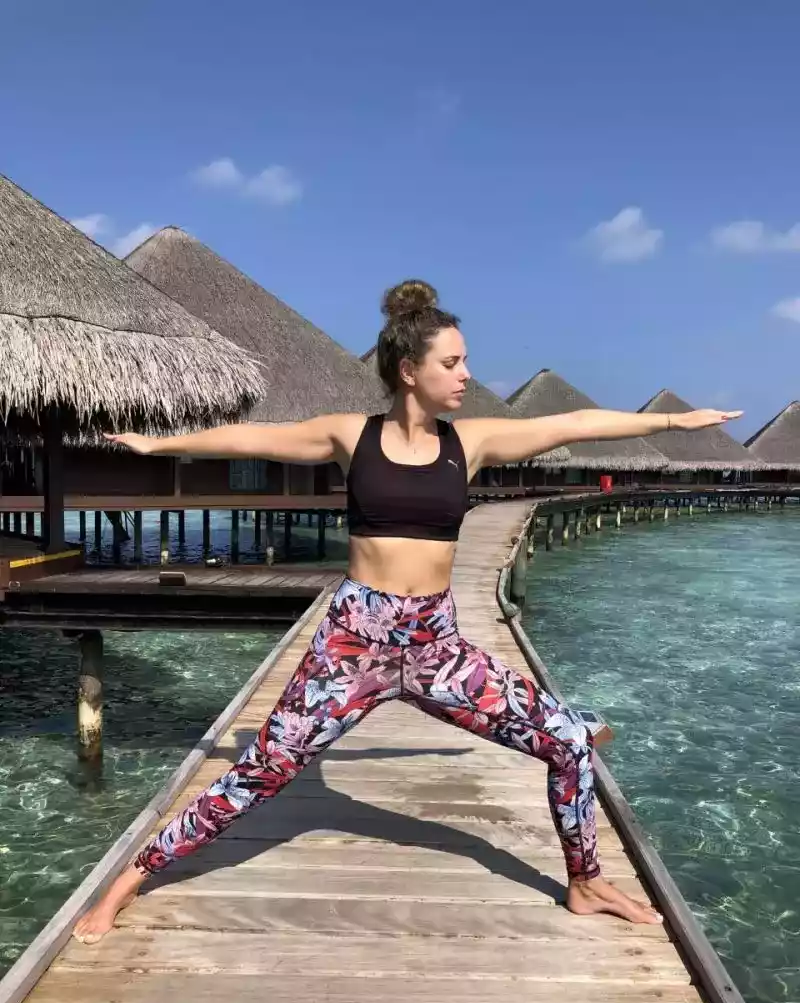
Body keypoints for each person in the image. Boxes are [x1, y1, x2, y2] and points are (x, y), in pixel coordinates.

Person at [73, 279, 742, 943]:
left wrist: (671, 422)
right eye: (452, 362)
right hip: (352, 645)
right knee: (260, 771)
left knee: (567, 741)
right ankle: (130, 879)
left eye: (465, 360)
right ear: (409, 371)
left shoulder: (469, 443)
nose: (467, 374)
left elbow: (568, 425)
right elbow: (257, 438)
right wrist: (158, 445)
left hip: (435, 646)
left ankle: (586, 882)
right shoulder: (350, 435)